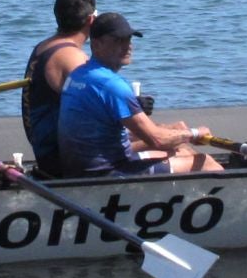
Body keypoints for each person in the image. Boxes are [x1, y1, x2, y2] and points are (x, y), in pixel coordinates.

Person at [55, 13, 222, 177]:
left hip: (79, 169)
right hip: (108, 173)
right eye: (118, 40)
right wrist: (194, 133)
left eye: (128, 39)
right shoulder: (111, 85)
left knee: (180, 150)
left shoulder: (77, 75)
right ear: (96, 45)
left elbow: (112, 131)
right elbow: (157, 140)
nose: (128, 46)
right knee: (205, 162)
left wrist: (171, 130)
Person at [21, 0, 96, 177]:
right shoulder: (73, 57)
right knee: (167, 150)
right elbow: (98, 110)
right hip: (64, 159)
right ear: (91, 20)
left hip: (45, 150)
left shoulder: (44, 46)